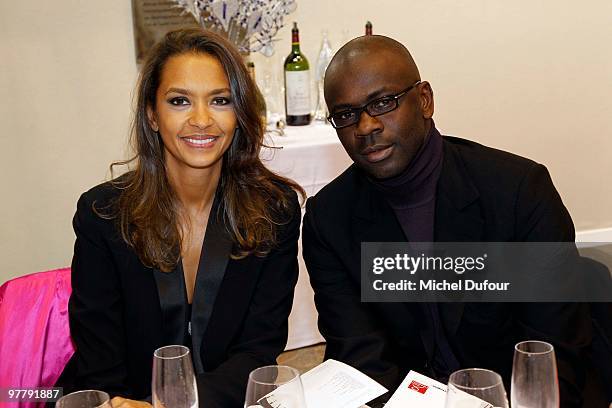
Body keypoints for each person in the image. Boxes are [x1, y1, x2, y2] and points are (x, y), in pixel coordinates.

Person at [302, 35, 596, 407]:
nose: (365, 127)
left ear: (424, 100)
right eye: (346, 114)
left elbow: (549, 356)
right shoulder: (328, 219)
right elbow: (361, 362)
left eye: (382, 102)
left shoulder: (519, 192)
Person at [56, 28, 304, 408]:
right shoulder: (103, 215)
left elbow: (258, 353)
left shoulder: (276, 210)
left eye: (220, 100)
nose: (202, 119)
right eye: (179, 101)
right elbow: (99, 364)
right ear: (152, 115)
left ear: (239, 112)